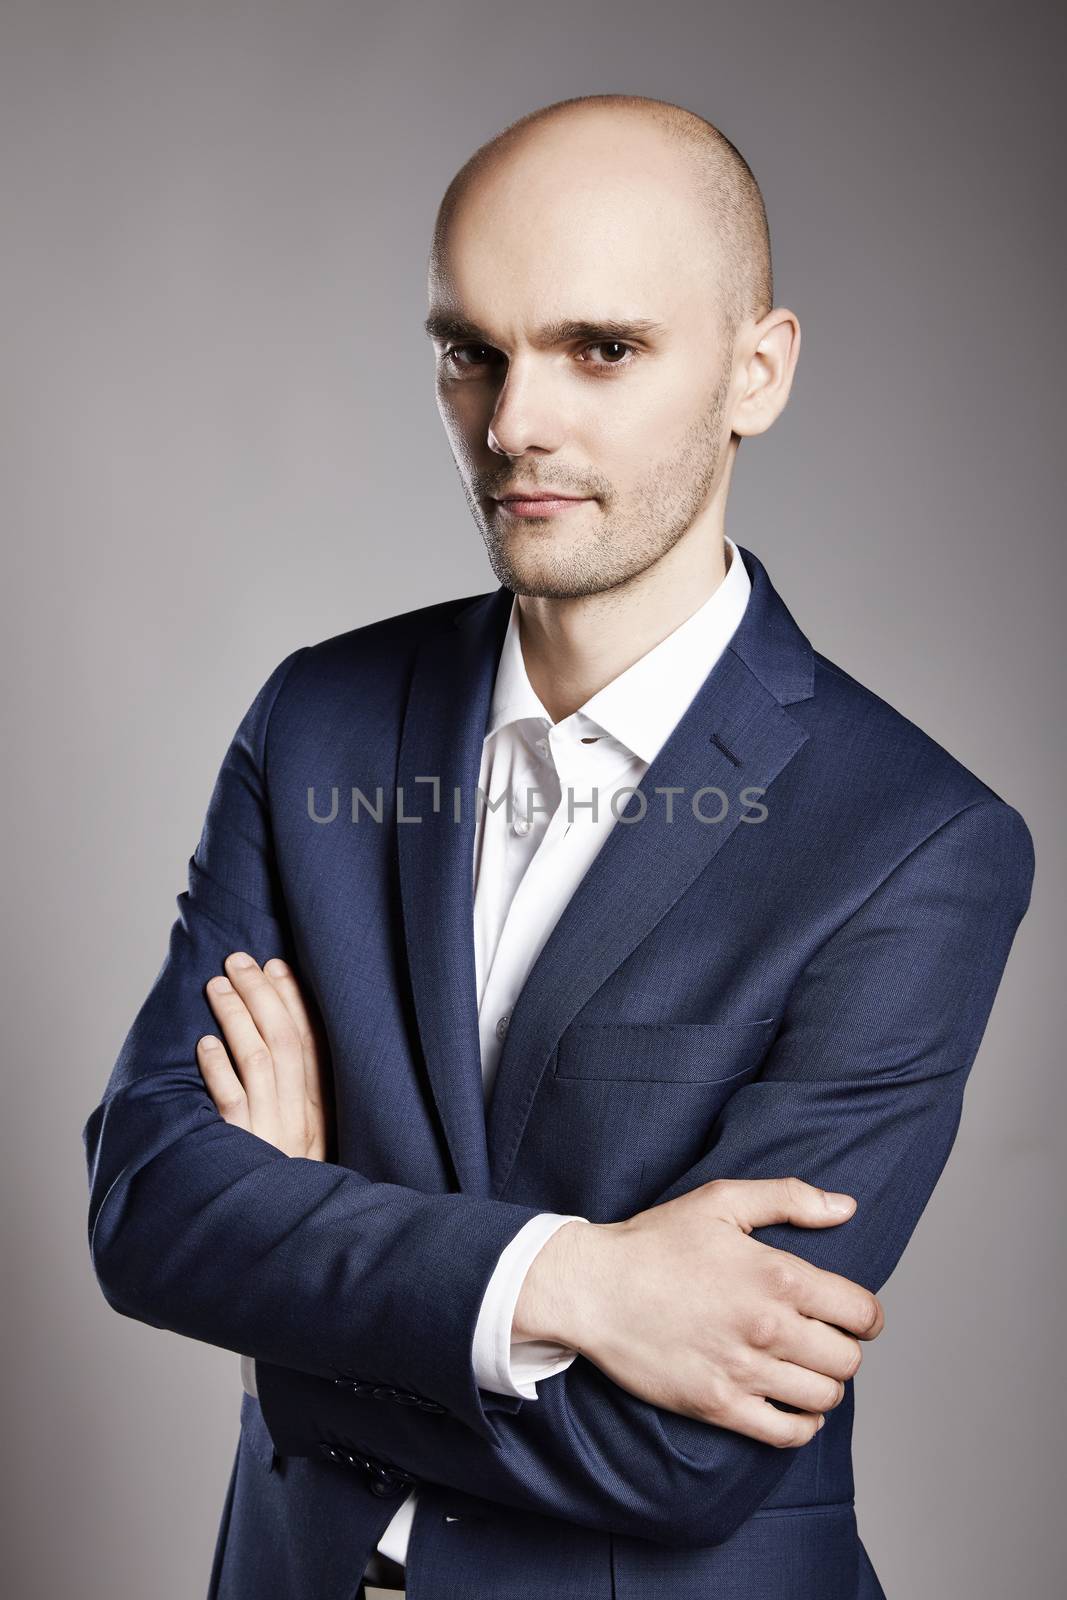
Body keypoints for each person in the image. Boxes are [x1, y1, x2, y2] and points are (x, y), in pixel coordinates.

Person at [82, 94, 1035, 1600]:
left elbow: (685, 1453)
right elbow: (145, 1208)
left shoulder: (918, 844)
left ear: (757, 371)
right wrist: (581, 1282)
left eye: (602, 348)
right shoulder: (317, 722)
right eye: (473, 350)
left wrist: (291, 1311)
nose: (516, 421)